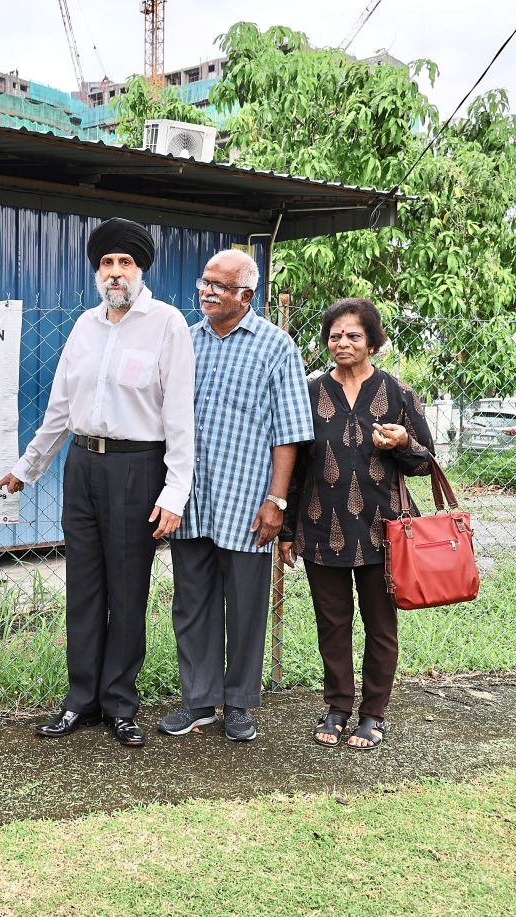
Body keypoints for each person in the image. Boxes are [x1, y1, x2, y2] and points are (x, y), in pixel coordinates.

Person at [0, 218, 194, 747]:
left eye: (124, 262)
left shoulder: (167, 325)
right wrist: (26, 468)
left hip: (138, 469)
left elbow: (179, 419)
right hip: (82, 466)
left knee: (127, 590)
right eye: (106, 263)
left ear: (141, 269)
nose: (114, 272)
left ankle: (120, 704)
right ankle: (80, 699)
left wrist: (175, 493)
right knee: (83, 588)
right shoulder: (84, 326)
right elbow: (60, 408)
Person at [161, 249, 314, 742]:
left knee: (246, 603)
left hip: (248, 502)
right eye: (204, 282)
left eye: (219, 286)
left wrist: (278, 501)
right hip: (193, 498)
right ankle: (199, 701)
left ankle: (240, 704)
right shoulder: (185, 342)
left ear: (246, 295)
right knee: (191, 602)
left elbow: (288, 433)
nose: (207, 291)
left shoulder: (276, 347)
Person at [279, 298, 434, 750]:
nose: (342, 343)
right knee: (332, 623)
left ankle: (373, 714)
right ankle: (338, 707)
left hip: (383, 530)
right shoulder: (309, 394)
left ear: (372, 342)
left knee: (381, 625)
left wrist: (402, 442)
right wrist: (287, 530)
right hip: (319, 526)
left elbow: (425, 464)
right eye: (335, 335)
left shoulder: (398, 394)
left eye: (353, 335)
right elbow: (295, 466)